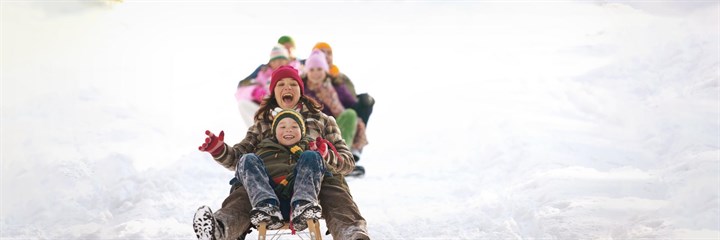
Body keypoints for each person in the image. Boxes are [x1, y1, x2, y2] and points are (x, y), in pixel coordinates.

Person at [194, 66, 370, 240]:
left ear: (300, 90)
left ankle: (352, 235)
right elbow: (239, 161)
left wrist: (327, 156)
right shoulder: (262, 125)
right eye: (281, 84)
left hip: (315, 184)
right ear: (274, 92)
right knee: (243, 193)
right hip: (267, 188)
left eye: (293, 84)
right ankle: (219, 229)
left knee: (335, 192)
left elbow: (347, 163)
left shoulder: (322, 121)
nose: (287, 87)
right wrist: (219, 150)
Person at [302, 50, 368, 166]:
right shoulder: (302, 88)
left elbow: (352, 104)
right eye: (312, 70)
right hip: (313, 127)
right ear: (307, 72)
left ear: (325, 71)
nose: (316, 73)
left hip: (334, 126)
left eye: (319, 69)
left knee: (351, 114)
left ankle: (342, 158)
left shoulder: (336, 85)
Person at [312, 42, 375, 160]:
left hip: (340, 115)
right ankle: (341, 155)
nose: (326, 56)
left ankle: (352, 148)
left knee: (362, 105)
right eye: (322, 53)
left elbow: (351, 101)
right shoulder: (308, 75)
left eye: (329, 53)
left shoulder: (340, 78)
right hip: (322, 121)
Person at [235, 44, 291, 127]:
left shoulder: (295, 72)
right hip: (267, 109)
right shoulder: (262, 74)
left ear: (287, 61)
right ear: (270, 63)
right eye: (274, 60)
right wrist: (254, 92)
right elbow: (241, 89)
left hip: (285, 109)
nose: (278, 63)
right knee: (242, 104)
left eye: (281, 59)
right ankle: (256, 131)